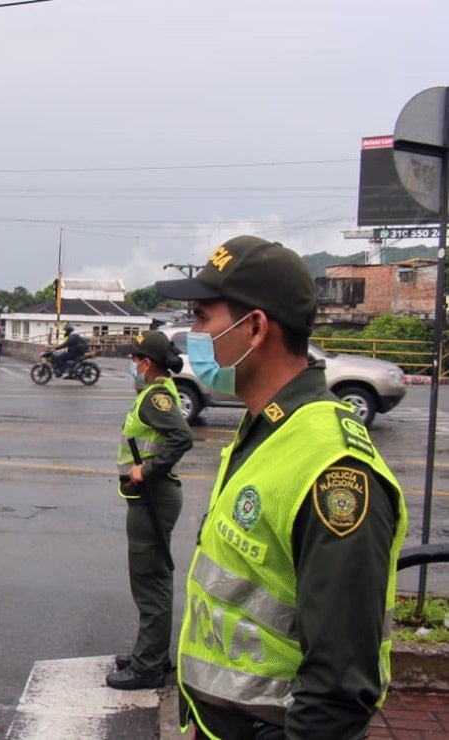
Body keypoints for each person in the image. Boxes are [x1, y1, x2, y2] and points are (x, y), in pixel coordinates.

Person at [156, 235, 408, 739]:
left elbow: (339, 688)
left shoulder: (332, 469)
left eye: (202, 318)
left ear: (254, 328)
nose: (193, 334)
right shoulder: (266, 427)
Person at [107, 330, 193, 690]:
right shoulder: (156, 392)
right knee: (153, 577)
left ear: (147, 363)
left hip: (153, 496)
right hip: (151, 497)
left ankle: (148, 667)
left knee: (149, 581)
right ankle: (151, 652)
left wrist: (149, 469)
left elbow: (181, 437)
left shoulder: (155, 398)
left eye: (135, 359)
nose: (132, 364)